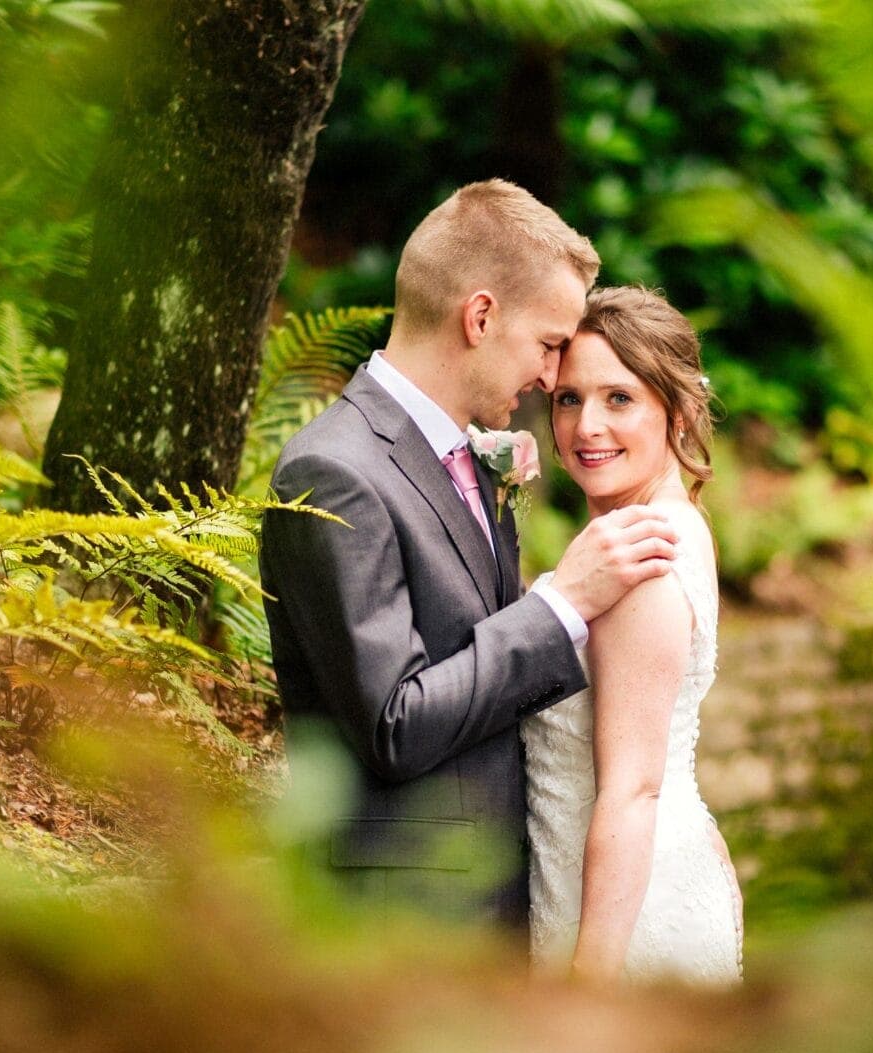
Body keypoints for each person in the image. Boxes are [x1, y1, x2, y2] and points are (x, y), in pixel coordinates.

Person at [260, 181, 679, 930]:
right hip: (405, 918)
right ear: (480, 315)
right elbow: (395, 721)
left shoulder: (463, 458)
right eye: (549, 344)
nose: (552, 379)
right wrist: (559, 605)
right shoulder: (337, 471)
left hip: (494, 898)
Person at [524, 285, 743, 986]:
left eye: (619, 399)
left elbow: (633, 788)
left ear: (674, 412)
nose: (587, 425)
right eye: (568, 398)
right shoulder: (668, 524)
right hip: (633, 877)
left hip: (620, 920)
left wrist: (590, 984)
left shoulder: (640, 552)